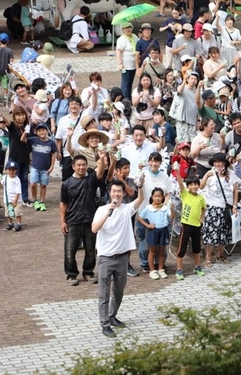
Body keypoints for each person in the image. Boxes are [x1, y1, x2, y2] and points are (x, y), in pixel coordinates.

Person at [92, 178, 146, 337]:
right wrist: (107, 213)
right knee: (104, 293)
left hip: (122, 257)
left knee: (119, 290)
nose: (116, 194)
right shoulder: (102, 210)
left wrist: (140, 186)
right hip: (105, 257)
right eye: (114, 191)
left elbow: (140, 199)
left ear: (123, 194)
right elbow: (94, 229)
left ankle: (112, 315)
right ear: (110, 193)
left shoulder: (127, 209)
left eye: (119, 191)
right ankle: (105, 324)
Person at [60, 154, 107, 286]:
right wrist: (62, 221)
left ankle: (88, 272)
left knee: (90, 249)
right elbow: (63, 203)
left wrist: (102, 158)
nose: (81, 167)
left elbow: (101, 171)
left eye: (83, 165)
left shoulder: (91, 179)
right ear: (73, 167)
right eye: (79, 165)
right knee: (70, 250)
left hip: (90, 220)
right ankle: (71, 274)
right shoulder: (67, 183)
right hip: (72, 220)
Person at [199, 153, 237, 266]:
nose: (217, 164)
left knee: (224, 232)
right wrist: (206, 176)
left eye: (220, 162)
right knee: (211, 232)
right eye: (215, 162)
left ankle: (220, 255)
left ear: (224, 163)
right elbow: (201, 186)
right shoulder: (210, 174)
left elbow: (235, 191)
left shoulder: (231, 174)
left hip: (225, 207)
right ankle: (208, 257)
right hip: (212, 207)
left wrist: (235, 206)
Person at [136, 187, 173, 280]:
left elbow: (172, 217)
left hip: (163, 230)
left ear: (163, 197)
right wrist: (147, 225)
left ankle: (161, 269)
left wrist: (172, 209)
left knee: (161, 251)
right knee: (152, 251)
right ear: (152, 197)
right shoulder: (148, 208)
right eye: (155, 196)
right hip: (153, 231)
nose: (157, 198)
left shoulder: (165, 208)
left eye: (159, 196)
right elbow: (139, 217)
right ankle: (152, 270)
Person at [175, 176, 207, 280]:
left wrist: (202, 218)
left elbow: (203, 208)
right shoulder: (185, 194)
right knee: (182, 248)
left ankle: (197, 267)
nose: (194, 187)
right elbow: (180, 184)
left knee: (197, 247)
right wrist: (177, 171)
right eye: (191, 185)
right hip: (186, 225)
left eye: (196, 184)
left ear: (199, 185)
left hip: (197, 226)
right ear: (188, 186)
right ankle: (179, 269)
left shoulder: (201, 197)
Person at [25, 123, 58, 211]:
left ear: (47, 131)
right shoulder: (34, 140)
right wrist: (25, 131)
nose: (41, 132)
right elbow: (22, 140)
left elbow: (53, 154)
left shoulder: (51, 143)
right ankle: (35, 200)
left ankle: (42, 201)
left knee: (43, 185)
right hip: (35, 167)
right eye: (39, 131)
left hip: (45, 168)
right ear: (36, 132)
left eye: (43, 130)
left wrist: (52, 166)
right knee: (33, 184)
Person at [1, 160, 23, 232]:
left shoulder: (17, 179)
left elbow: (18, 191)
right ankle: (10, 223)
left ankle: (19, 223)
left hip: (16, 199)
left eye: (13, 170)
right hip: (7, 199)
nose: (11, 172)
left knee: (17, 212)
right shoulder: (5, 177)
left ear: (16, 170)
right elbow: (1, 186)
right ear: (6, 170)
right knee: (8, 212)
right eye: (9, 170)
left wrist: (15, 200)